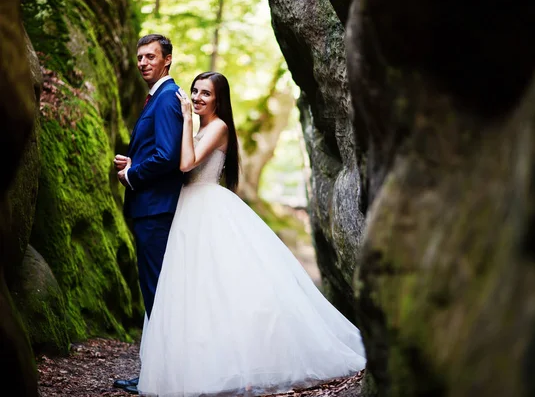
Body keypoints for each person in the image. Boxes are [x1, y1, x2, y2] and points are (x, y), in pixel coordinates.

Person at [136, 71, 366, 397]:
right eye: (195, 91)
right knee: (196, 290)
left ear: (219, 100)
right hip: (187, 210)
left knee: (225, 285)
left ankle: (248, 360)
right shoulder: (204, 128)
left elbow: (186, 164)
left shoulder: (218, 128)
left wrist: (185, 118)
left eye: (206, 93)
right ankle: (201, 363)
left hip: (207, 207)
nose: (198, 97)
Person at [112, 34, 184, 394]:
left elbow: (169, 156)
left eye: (150, 56)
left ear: (167, 60)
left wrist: (132, 174)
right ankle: (159, 373)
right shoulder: (157, 97)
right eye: (139, 57)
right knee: (156, 292)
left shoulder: (168, 98)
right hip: (151, 209)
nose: (142, 62)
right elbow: (157, 151)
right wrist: (134, 160)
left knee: (158, 293)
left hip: (156, 211)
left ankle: (162, 377)